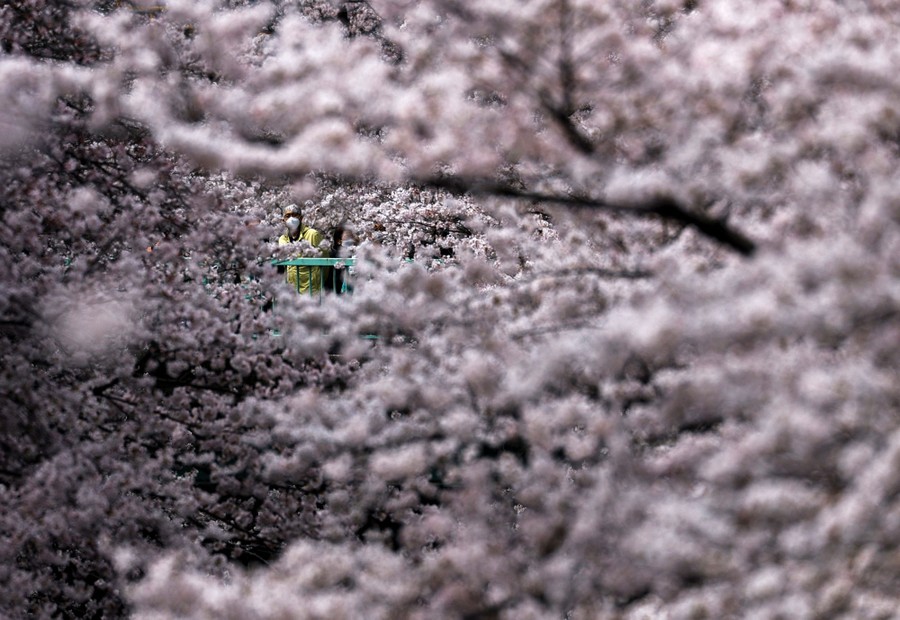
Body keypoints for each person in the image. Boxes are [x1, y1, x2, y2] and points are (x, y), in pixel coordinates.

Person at [277, 204, 328, 295]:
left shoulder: (312, 234)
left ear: (301, 218)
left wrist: (318, 281)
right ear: (283, 220)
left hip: (311, 289)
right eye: (288, 216)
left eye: (295, 215)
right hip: (291, 289)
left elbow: (325, 261)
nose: (291, 218)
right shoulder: (282, 239)